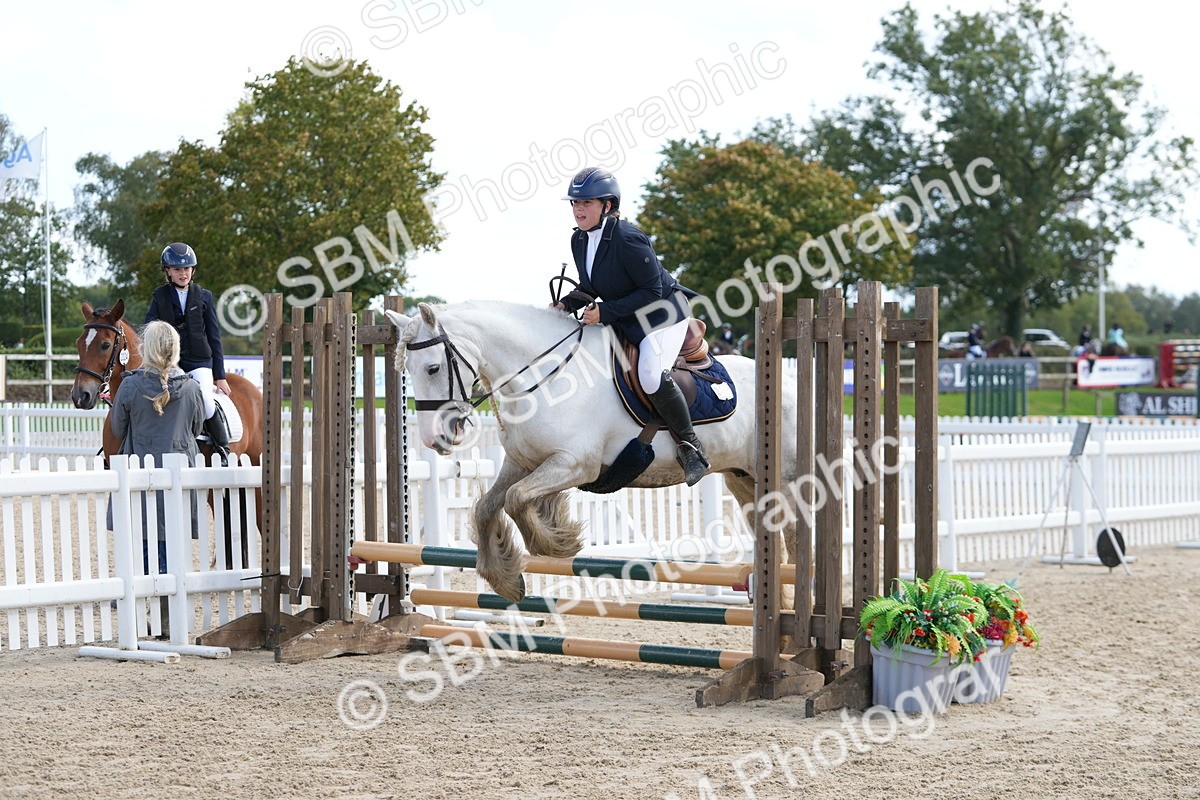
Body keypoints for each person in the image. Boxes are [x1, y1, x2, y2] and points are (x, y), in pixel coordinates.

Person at [553, 167, 708, 486]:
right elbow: (590, 283)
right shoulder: (579, 239)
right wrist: (566, 304)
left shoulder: (629, 238)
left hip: (664, 315)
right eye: (575, 203)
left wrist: (605, 312)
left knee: (650, 374)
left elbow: (652, 292)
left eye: (587, 203)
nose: (578, 209)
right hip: (627, 315)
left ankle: (691, 447)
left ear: (607, 206)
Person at [109, 322, 204, 614]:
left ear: (143, 349)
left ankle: (138, 594)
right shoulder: (191, 387)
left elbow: (116, 428)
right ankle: (166, 607)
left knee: (141, 535)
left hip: (139, 470)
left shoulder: (129, 384)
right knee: (171, 540)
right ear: (176, 350)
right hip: (179, 474)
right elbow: (197, 427)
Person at [145, 242, 232, 458]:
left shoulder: (204, 296)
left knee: (206, 403)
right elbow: (148, 331)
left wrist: (219, 376)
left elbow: (214, 337)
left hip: (200, 362)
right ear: (168, 271)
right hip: (169, 363)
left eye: (186, 268)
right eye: (177, 269)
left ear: (193, 270)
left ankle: (222, 448)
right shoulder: (159, 297)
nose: (183, 273)